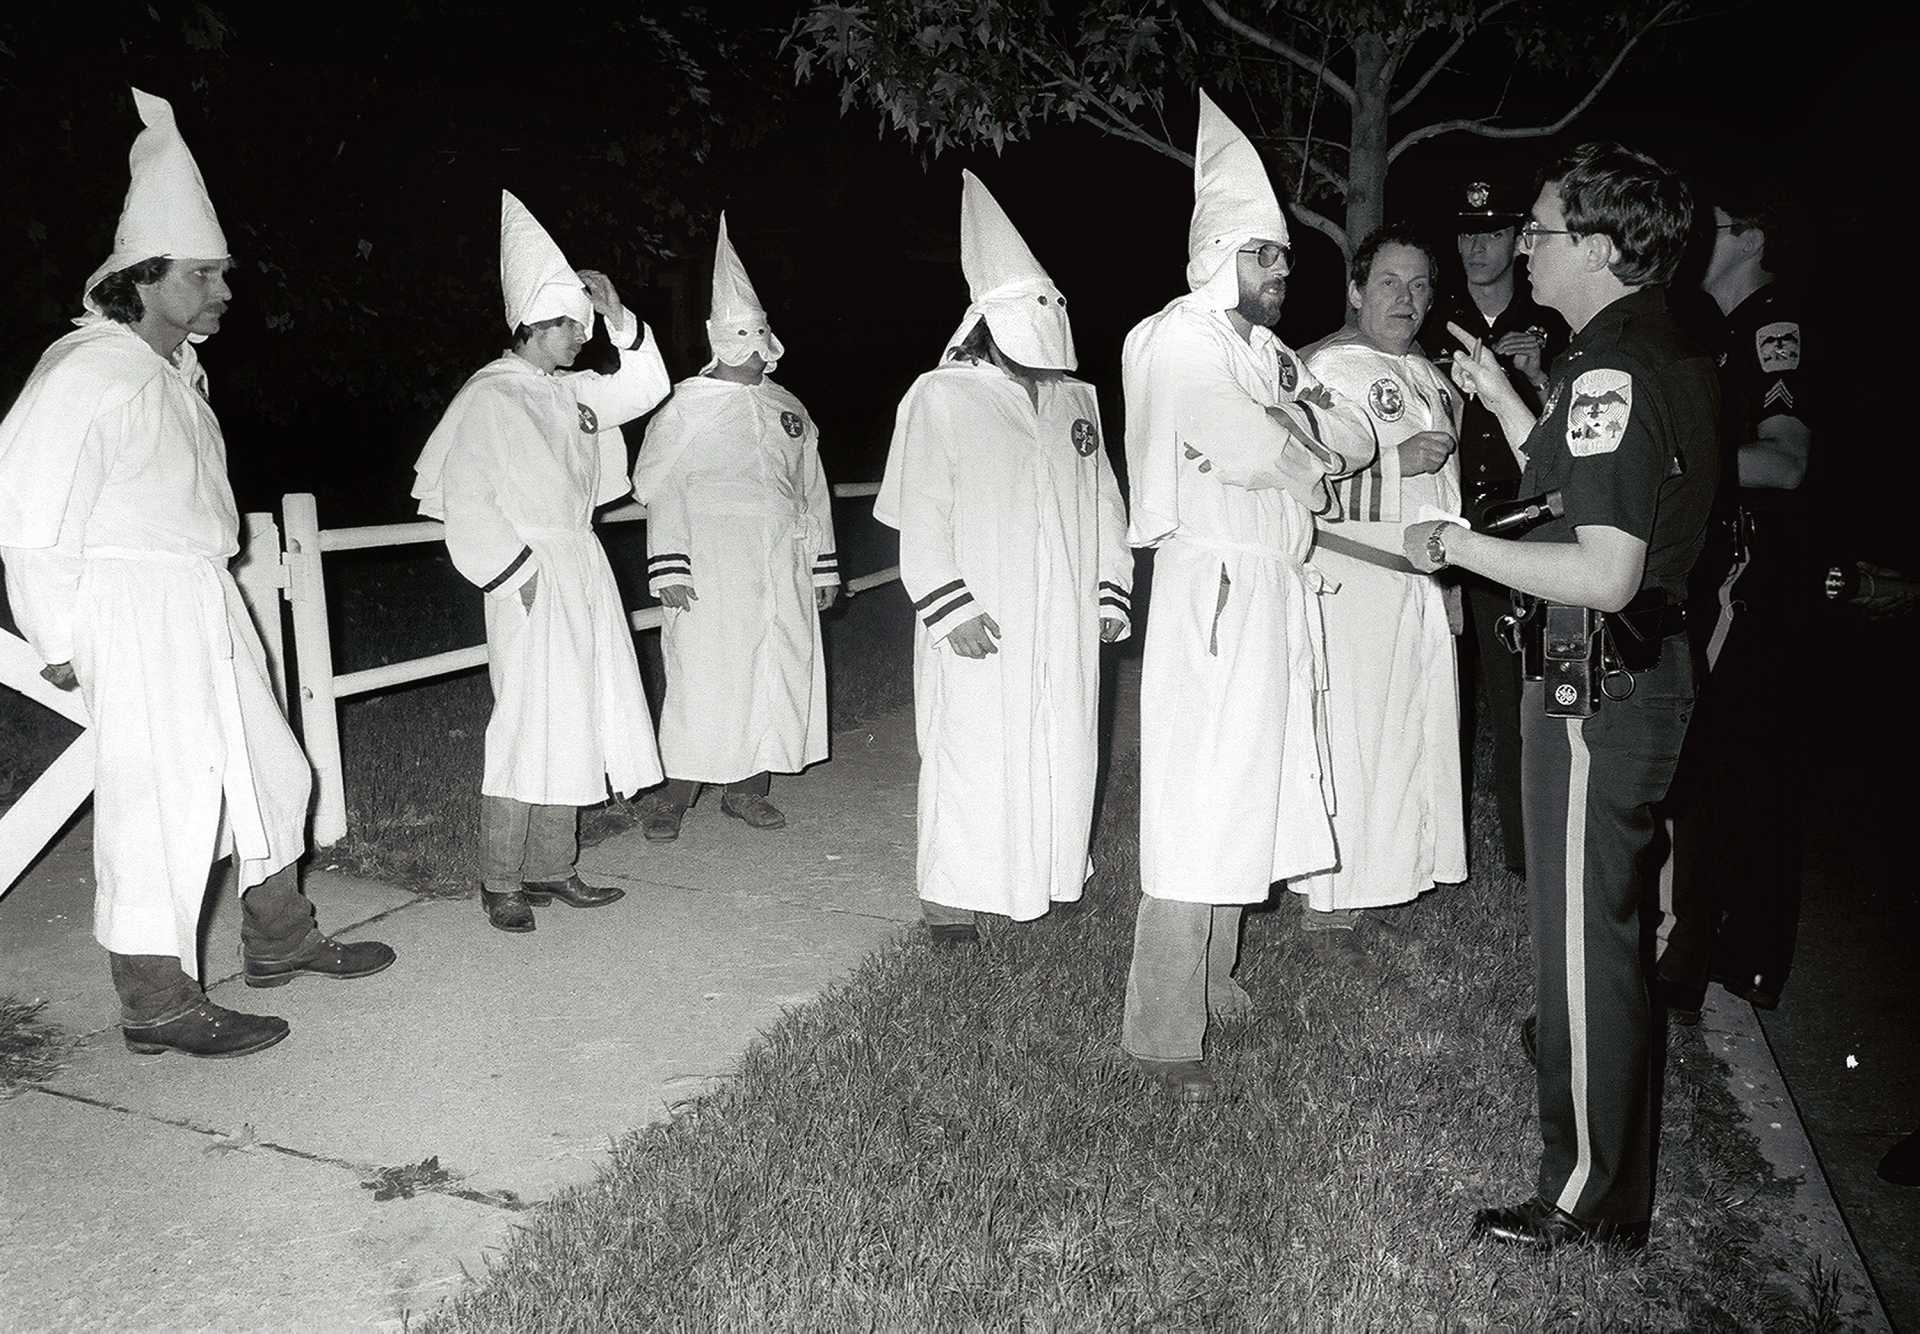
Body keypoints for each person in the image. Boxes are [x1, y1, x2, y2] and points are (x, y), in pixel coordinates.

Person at [0, 89, 393, 1058]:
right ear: (144, 277)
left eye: (222, 273)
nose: (222, 292)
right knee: (160, 796)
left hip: (202, 595)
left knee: (269, 767)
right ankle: (156, 1002)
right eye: (203, 274)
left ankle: (279, 938)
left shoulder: (176, 374)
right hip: (129, 605)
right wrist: (58, 636)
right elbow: (29, 518)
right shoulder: (85, 373)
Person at [1405, 142, 1719, 1249]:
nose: (1523, 246)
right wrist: (1507, 396)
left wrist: (1456, 545)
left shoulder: (1612, 371)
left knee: (1585, 948)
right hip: (1627, 679)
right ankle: (1606, 1179)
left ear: (1597, 244)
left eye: (1540, 229)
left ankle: (1584, 1197)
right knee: (1599, 938)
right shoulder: (1643, 348)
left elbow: (1605, 567)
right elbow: (1591, 479)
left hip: (1598, 682)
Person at [1119, 93, 1373, 1102]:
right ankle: (1160, 1027)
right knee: (1200, 793)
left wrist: (1299, 429)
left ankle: (1216, 976)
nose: (1283, 273)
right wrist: (1300, 435)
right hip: (1215, 586)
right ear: (1221, 253)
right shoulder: (1173, 337)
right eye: (1267, 255)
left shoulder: (1264, 353)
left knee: (1251, 781)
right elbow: (1253, 443)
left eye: (1284, 258)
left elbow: (1351, 434)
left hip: (1271, 585)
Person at [874, 170, 1131, 948]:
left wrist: (1110, 591)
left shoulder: (1077, 400)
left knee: (1062, 738)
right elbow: (920, 512)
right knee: (972, 745)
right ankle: (950, 898)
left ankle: (1048, 872)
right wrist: (947, 604)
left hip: (1066, 611)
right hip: (982, 606)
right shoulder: (940, 395)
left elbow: (1105, 502)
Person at [413, 191, 671, 933]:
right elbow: (469, 498)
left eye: (586, 326)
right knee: (527, 718)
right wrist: (515, 576)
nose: (582, 339)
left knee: (578, 707)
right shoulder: (492, 396)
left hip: (579, 561)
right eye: (572, 325)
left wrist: (620, 316)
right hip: (526, 569)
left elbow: (647, 386)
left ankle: (554, 867)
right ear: (534, 322)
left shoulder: (572, 393)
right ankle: (501, 878)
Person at [1654, 184, 1813, 1013]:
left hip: (1754, 589)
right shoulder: (1721, 332)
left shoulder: (1773, 329)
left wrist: (1677, 462)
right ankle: (1726, 955)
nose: (1691, 240)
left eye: (1710, 228)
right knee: (1726, 772)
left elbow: (1785, 461)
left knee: (1722, 769)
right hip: (1728, 581)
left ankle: (1715, 959)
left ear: (1752, 237)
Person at [630, 214, 840, 840]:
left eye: (760, 335)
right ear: (718, 339)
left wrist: (823, 565)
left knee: (772, 665)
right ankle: (674, 795)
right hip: (710, 560)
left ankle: (748, 790)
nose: (754, 348)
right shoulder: (684, 407)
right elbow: (661, 486)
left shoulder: (788, 407)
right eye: (741, 337)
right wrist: (669, 564)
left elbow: (811, 490)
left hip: (782, 559)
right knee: (705, 672)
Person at [1290, 222, 1466, 930]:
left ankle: (1389, 878)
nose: (1406, 298)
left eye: (1419, 286)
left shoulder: (1430, 377)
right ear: (1357, 290)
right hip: (1353, 579)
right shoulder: (1326, 371)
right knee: (1353, 738)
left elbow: (1446, 489)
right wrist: (1396, 465)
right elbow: (1299, 481)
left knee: (1409, 735)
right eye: (1389, 282)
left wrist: (1451, 583)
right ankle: (1329, 906)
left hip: (1419, 582)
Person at [1423, 180, 1570, 877]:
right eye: (1466, 233)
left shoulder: (1553, 319)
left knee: (1518, 692)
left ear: (1518, 241)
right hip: (1445, 515)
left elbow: (1572, 439)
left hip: (1521, 520)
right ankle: (1428, 843)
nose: (1477, 246)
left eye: (1492, 232)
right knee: (1433, 684)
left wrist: (1535, 376)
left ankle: (1523, 852)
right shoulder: (1432, 318)